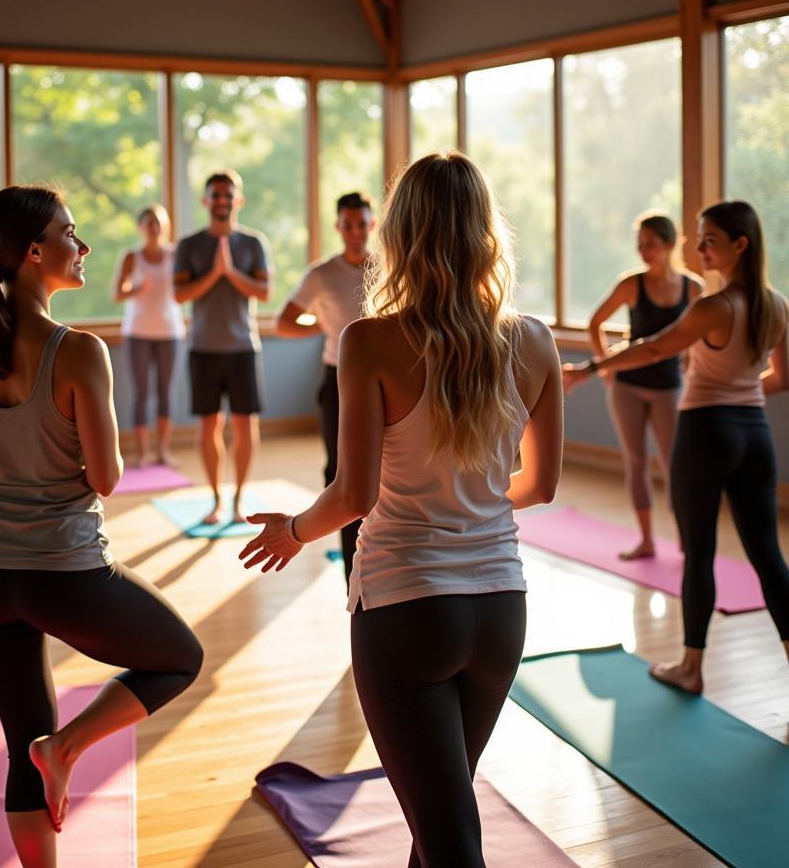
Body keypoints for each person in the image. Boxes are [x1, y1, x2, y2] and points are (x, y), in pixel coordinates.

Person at [240, 153, 563, 867]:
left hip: (406, 609)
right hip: (501, 609)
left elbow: (355, 495)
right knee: (439, 822)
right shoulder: (536, 339)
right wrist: (467, 501)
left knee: (448, 836)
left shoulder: (370, 340)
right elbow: (540, 486)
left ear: (399, 234)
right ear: (485, 231)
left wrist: (293, 531)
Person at [0, 185, 202, 868]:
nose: (82, 248)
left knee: (22, 733)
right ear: (32, 253)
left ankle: (50, 758)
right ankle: (70, 746)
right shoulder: (78, 350)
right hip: (65, 574)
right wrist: (45, 470)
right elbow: (107, 478)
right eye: (71, 235)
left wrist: (5, 467)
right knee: (180, 658)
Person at [564, 199, 789, 695]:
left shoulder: (712, 306)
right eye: (697, 238)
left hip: (706, 430)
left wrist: (588, 370)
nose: (699, 247)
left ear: (740, 244)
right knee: (769, 556)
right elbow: (783, 377)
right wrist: (742, 387)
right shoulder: (777, 304)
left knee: (700, 552)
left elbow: (657, 346)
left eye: (709, 239)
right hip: (754, 434)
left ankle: (691, 668)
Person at [585, 213, 703, 559]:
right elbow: (595, 323)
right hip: (628, 387)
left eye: (650, 244)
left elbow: (702, 334)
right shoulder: (631, 284)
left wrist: (692, 362)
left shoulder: (693, 288)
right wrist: (605, 363)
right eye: (640, 244)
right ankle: (647, 540)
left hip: (669, 388)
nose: (643, 251)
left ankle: (685, 541)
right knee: (636, 461)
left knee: (673, 464)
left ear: (669, 244)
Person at [275, 191, 376, 585]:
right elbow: (284, 322)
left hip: (385, 380)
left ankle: (383, 550)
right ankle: (354, 570)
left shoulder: (388, 266)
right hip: (337, 381)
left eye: (362, 223)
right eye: (348, 225)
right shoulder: (322, 273)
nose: (355, 232)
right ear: (339, 227)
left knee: (385, 471)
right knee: (340, 471)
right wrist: (322, 325)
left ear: (372, 224)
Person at [174, 169, 272, 526]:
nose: (221, 201)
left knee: (246, 426)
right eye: (215, 195)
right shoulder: (189, 245)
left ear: (238, 200)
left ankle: (239, 498)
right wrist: (215, 274)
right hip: (203, 348)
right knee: (208, 426)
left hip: (244, 347)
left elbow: (264, 292)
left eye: (227, 195)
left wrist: (230, 273)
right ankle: (216, 499)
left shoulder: (253, 243)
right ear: (205, 201)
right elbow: (180, 295)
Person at [113, 204, 185, 468]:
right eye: (148, 222)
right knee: (141, 393)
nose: (153, 227)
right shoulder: (131, 256)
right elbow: (117, 294)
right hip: (137, 332)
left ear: (165, 226)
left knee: (166, 392)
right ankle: (142, 453)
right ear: (140, 227)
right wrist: (137, 289)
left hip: (170, 332)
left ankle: (163, 451)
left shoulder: (176, 255)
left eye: (158, 222)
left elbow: (185, 288)